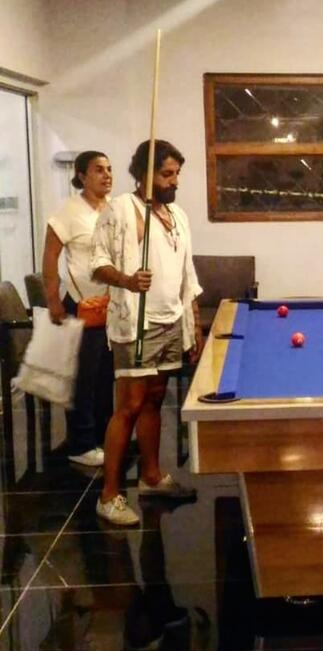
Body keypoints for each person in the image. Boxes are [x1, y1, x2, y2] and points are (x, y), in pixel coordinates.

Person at [90, 139, 204, 526]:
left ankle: (151, 477)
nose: (175, 181)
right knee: (130, 406)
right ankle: (108, 496)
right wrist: (126, 279)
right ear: (145, 174)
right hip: (136, 325)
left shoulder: (178, 215)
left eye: (177, 174)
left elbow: (187, 274)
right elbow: (97, 262)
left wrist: (193, 323)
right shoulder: (122, 209)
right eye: (167, 174)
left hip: (171, 322)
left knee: (155, 400)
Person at [42, 151, 115, 467]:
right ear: (82, 176)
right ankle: (80, 444)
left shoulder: (112, 209)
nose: (107, 175)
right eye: (99, 169)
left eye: (109, 169)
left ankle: (103, 435)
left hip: (110, 304)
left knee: (105, 375)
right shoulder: (69, 211)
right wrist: (53, 300)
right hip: (80, 303)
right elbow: (50, 255)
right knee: (82, 377)